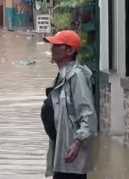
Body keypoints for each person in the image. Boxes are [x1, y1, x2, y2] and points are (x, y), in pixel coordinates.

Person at [41, 30, 97, 179]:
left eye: (57, 45)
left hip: (71, 156)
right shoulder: (62, 76)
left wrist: (77, 143)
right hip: (62, 153)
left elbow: (88, 114)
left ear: (70, 50)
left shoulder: (77, 76)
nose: (52, 48)